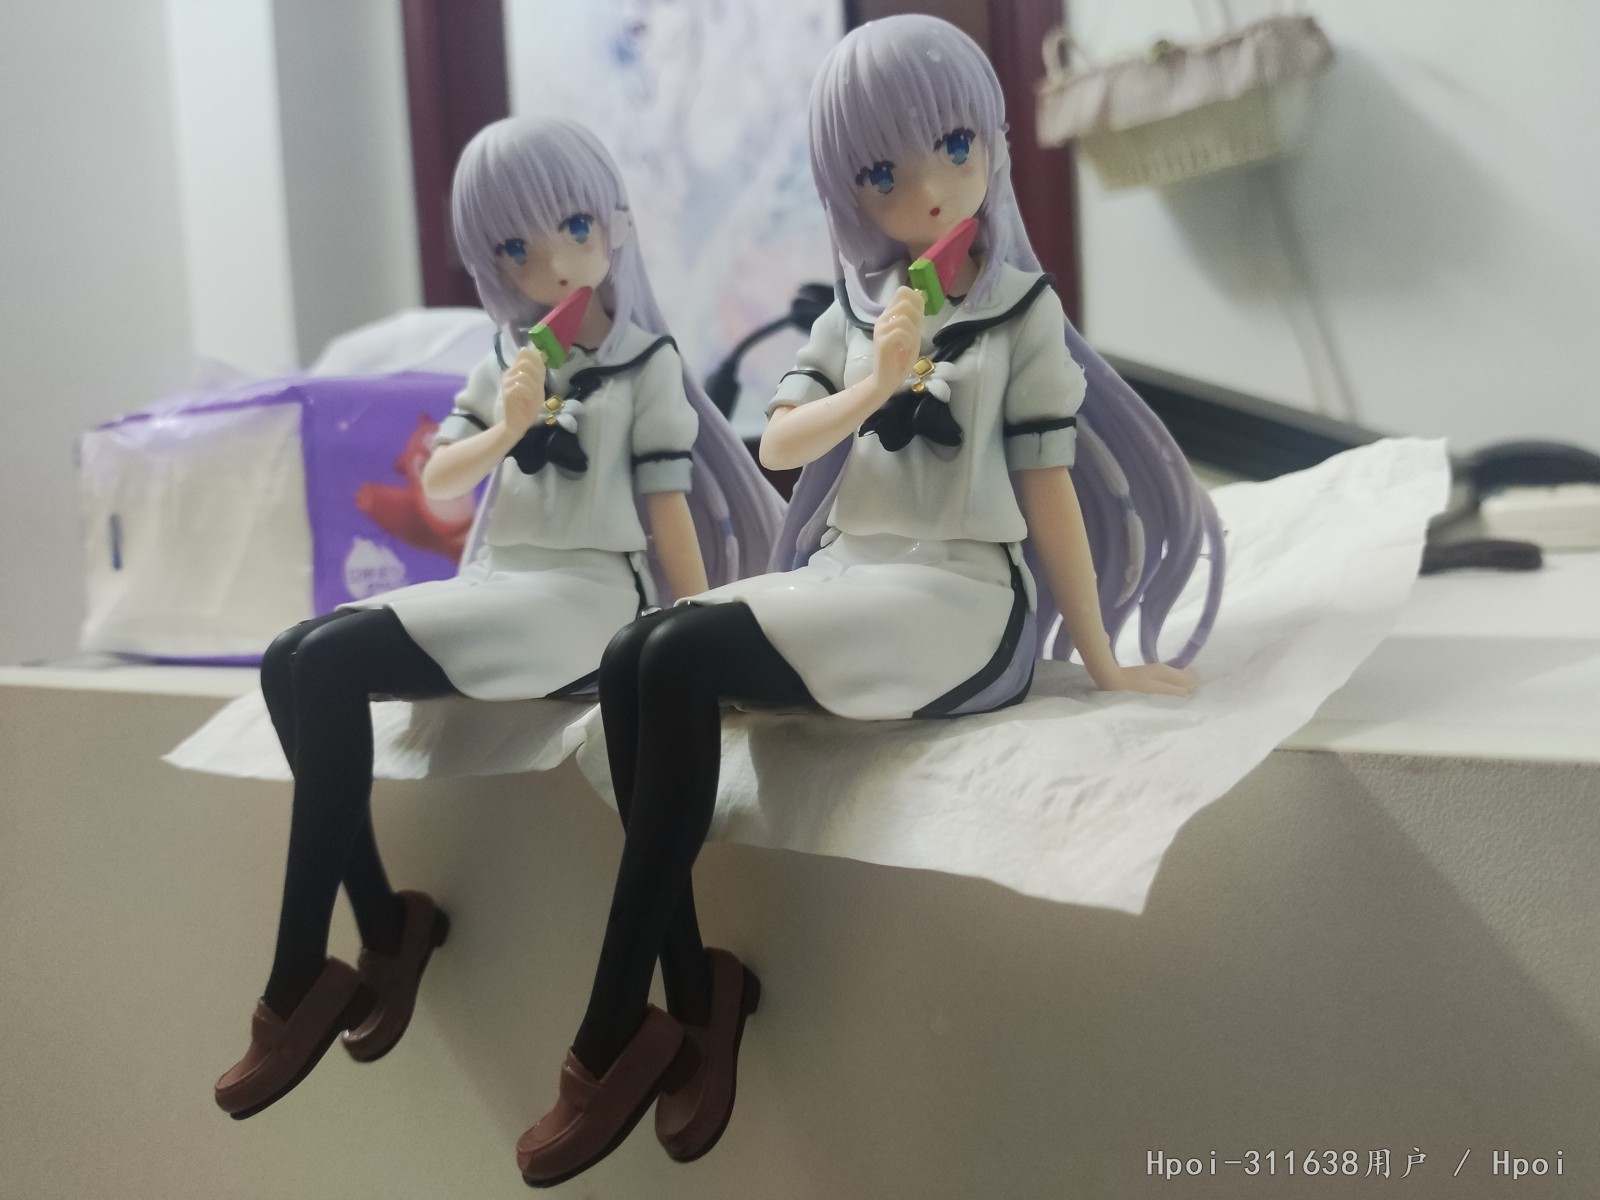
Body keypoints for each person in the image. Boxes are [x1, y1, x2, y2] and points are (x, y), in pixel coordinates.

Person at [514, 15, 1224, 1188]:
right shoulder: (852, 318)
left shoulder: (1020, 313)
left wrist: (1097, 656)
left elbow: (1048, 491)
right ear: (849, 193)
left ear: (993, 144)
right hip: (852, 571)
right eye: (883, 174)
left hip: (961, 603)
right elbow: (784, 443)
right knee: (639, 650)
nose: (928, 190)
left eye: (955, 148)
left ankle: (609, 1033)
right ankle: (692, 996)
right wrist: (875, 382)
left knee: (673, 656)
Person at [212, 116, 782, 1120]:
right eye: (517, 248)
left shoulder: (645, 367)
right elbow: (439, 483)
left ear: (614, 226)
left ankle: (299, 976)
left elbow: (668, 510)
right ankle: (384, 925)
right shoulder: (508, 363)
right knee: (288, 657)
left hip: (586, 602)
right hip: (504, 584)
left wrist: (688, 634)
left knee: (331, 660)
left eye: (574, 229)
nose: (552, 264)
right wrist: (507, 426)